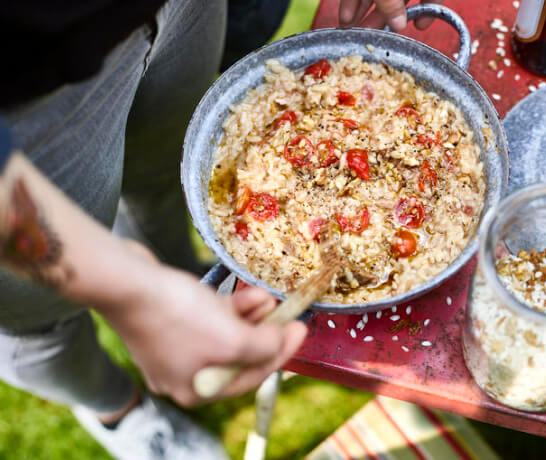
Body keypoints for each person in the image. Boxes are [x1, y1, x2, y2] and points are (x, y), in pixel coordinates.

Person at [0, 1, 440, 458]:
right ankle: (116, 410)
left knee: (160, 177)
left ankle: (184, 281)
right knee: (39, 320)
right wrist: (128, 293)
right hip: (25, 90)